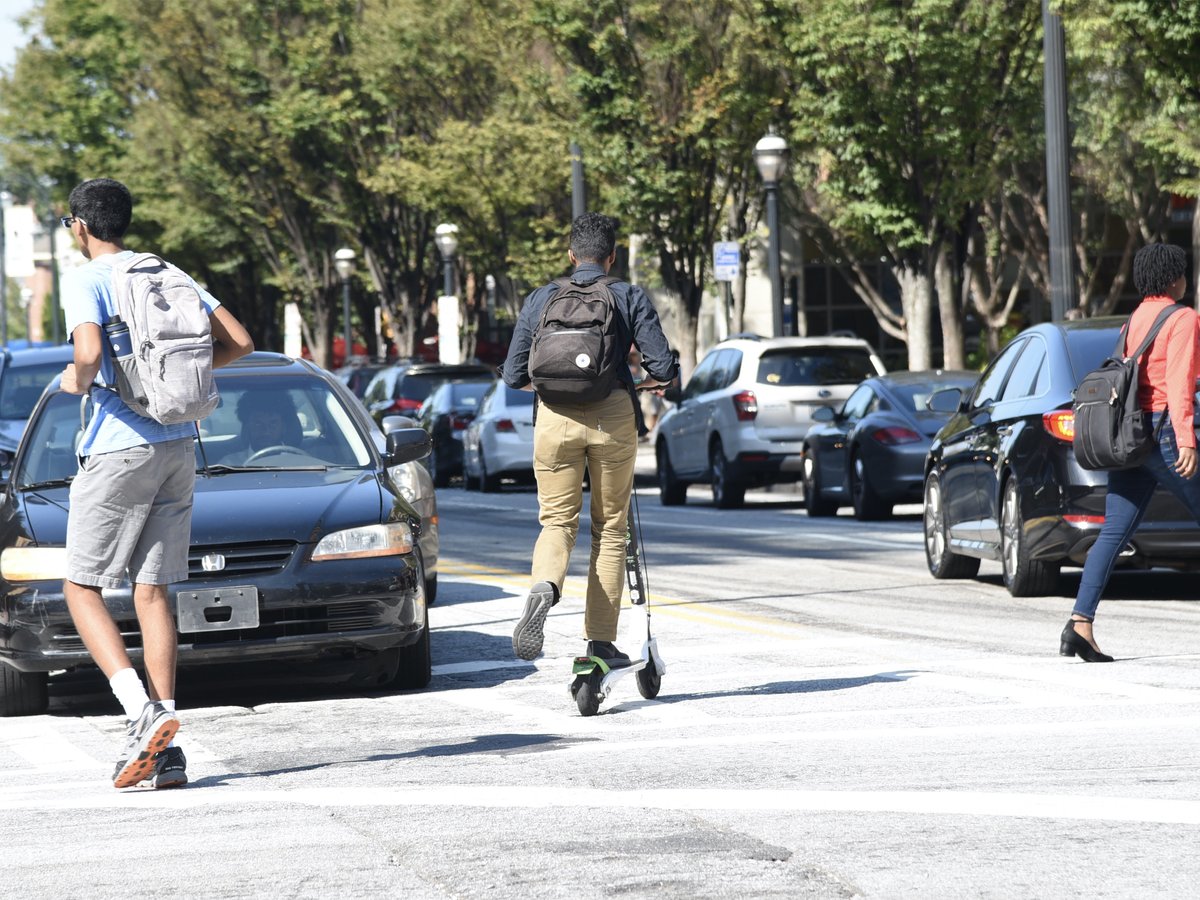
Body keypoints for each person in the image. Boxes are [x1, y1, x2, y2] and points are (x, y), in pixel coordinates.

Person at [59, 178, 254, 787]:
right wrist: (173, 387)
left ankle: (140, 713)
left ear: (81, 227)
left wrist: (80, 379)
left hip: (121, 448)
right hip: (177, 443)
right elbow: (241, 342)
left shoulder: (89, 277)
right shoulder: (166, 270)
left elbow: (89, 350)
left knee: (81, 587)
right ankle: (167, 747)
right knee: (153, 591)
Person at [503, 213, 677, 664]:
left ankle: (545, 585)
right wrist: (632, 385)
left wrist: (553, 389)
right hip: (612, 418)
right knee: (610, 531)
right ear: (611, 256)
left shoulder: (543, 298)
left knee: (557, 523)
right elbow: (662, 368)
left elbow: (512, 374)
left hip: (553, 421)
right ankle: (600, 642)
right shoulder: (627, 295)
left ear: (571, 254)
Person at [1064, 242, 1200, 662]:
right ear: (1173, 277)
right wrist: (1187, 439)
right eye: (1182, 272)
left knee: (1112, 532)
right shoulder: (1183, 318)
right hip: (1163, 435)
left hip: (1132, 439)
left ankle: (1079, 625)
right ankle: (1079, 626)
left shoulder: (1133, 321)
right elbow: (1178, 385)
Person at [215, 391, 303, 465]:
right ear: (247, 426)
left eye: (273, 423)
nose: (266, 431)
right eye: (258, 423)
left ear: (284, 427)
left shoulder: (301, 464)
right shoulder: (229, 465)